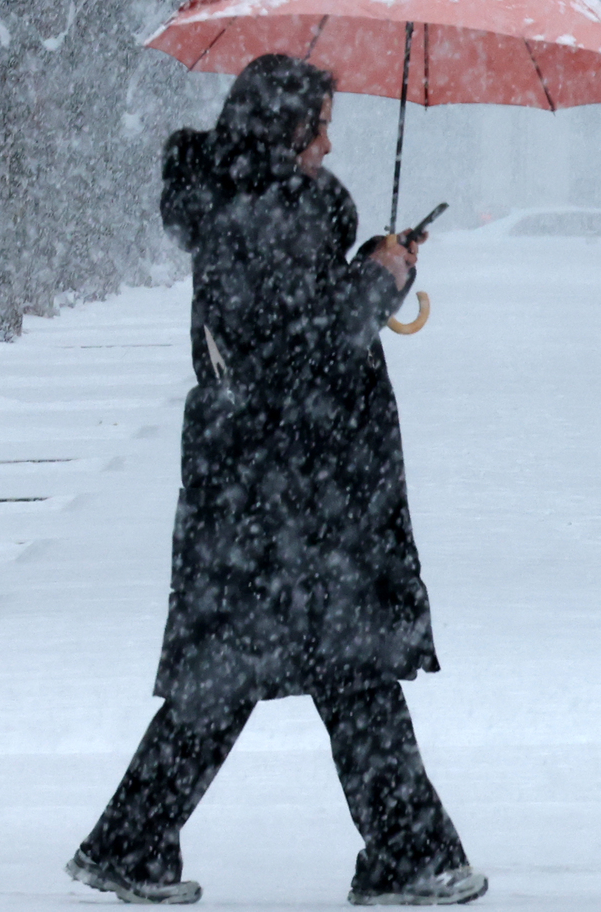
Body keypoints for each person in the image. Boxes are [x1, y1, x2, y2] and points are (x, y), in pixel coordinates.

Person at [66, 54, 486, 908]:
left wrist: (368, 265)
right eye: (319, 125)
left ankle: (134, 844)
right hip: (291, 494)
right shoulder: (271, 216)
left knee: (265, 676)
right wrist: (378, 279)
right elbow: (309, 351)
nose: (330, 141)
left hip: (262, 493)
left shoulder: (247, 209)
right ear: (283, 128)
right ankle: (405, 855)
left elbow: (286, 326)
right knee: (332, 668)